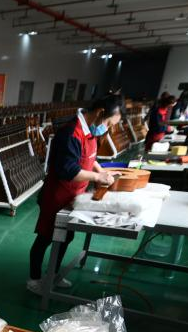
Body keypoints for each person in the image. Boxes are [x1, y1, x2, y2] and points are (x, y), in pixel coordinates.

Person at [26, 95, 123, 294]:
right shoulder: (71, 133)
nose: (107, 129)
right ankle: (34, 279)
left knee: (66, 236)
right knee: (45, 238)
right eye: (108, 123)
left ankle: (53, 274)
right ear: (100, 113)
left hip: (74, 195)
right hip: (56, 196)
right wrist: (98, 177)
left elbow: (88, 157)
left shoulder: (90, 131)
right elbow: (69, 170)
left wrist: (101, 170)